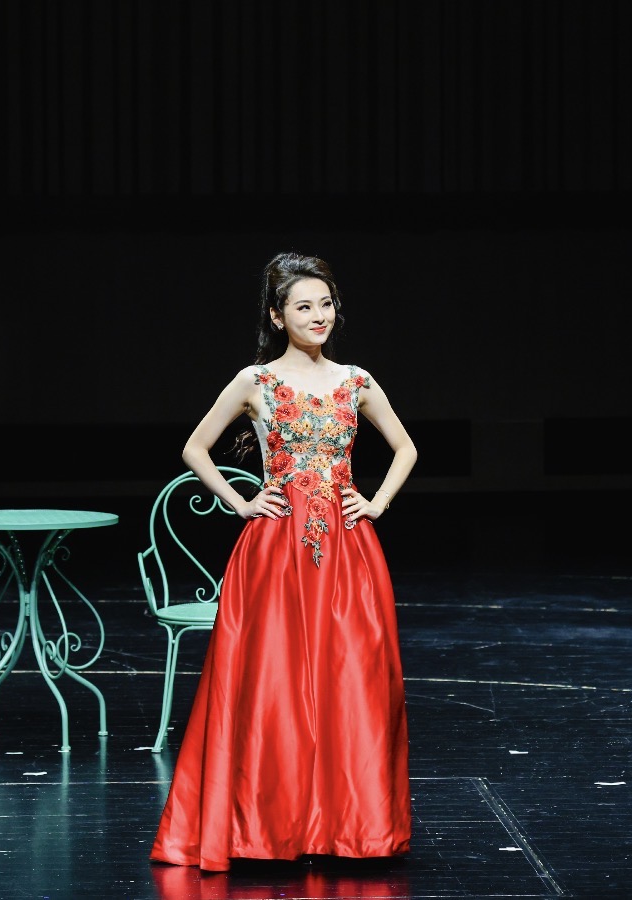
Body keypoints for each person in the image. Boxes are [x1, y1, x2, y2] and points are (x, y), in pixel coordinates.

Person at [150, 252, 418, 872]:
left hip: (347, 550)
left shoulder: (355, 380)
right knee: (273, 685)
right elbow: (195, 447)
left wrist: (375, 503)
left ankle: (350, 827)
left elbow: (405, 447)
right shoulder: (256, 381)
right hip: (275, 549)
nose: (319, 315)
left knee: (352, 681)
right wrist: (241, 502)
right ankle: (268, 826)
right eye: (303, 306)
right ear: (277, 316)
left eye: (326, 304)